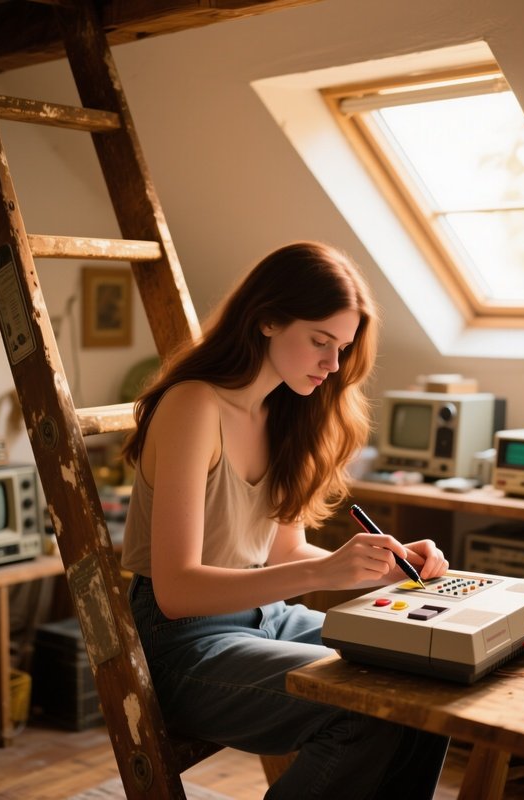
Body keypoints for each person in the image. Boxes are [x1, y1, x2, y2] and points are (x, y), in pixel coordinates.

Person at [121, 241, 450, 799]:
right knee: (363, 711)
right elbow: (176, 590)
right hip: (181, 645)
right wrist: (324, 576)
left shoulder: (288, 414)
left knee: (429, 672)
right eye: (320, 341)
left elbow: (286, 554)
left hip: (265, 617)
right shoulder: (193, 407)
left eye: (342, 347)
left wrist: (384, 569)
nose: (332, 364)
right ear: (267, 319)